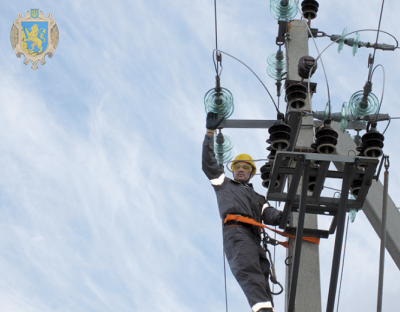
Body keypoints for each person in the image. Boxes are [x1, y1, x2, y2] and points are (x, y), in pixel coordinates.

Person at [202, 112, 283, 312]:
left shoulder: (258, 198)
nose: (240, 169)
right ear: (232, 169)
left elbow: (270, 214)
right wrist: (209, 133)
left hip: (254, 236)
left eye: (245, 167)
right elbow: (209, 164)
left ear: (251, 172)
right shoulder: (224, 184)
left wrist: (285, 216)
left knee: (263, 276)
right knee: (250, 272)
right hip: (237, 232)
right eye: (237, 166)